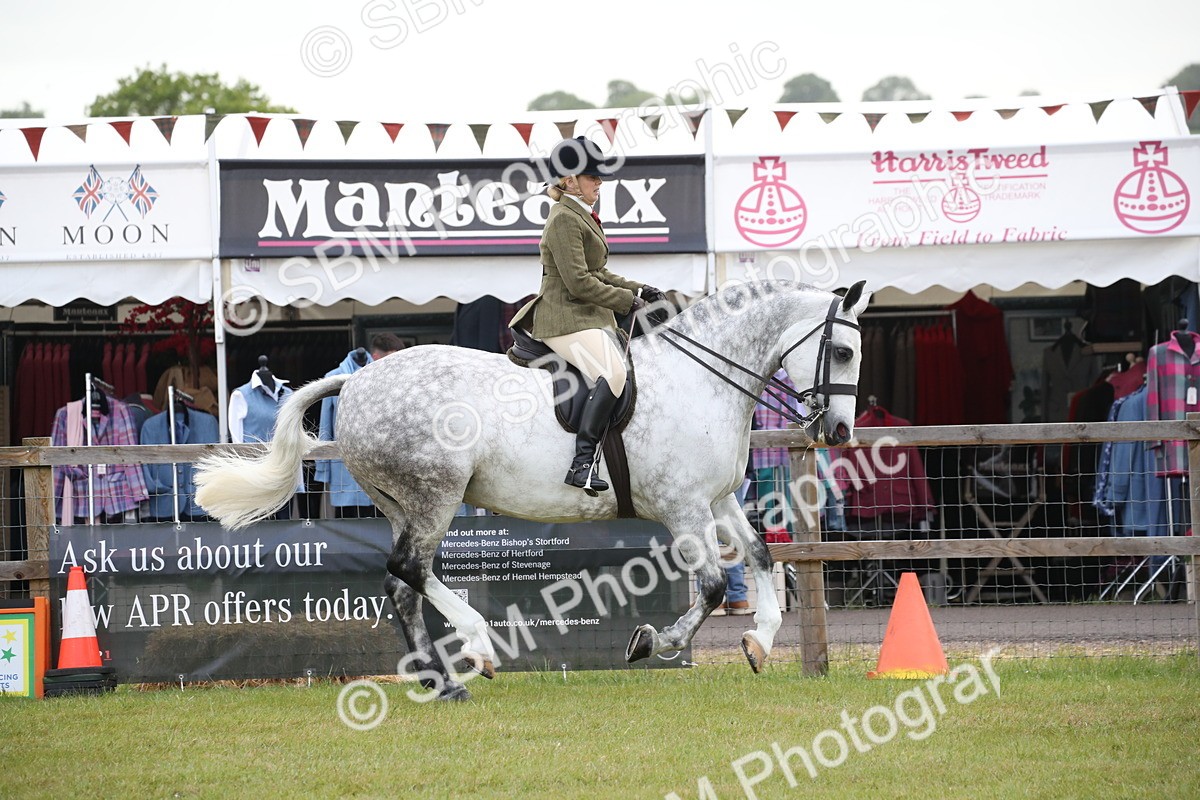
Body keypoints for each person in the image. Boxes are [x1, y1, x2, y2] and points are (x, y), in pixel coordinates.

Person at [509, 136, 666, 492]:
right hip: (563, 318)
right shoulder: (564, 219)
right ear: (570, 181)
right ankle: (581, 464)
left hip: (587, 317)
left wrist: (640, 289)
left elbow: (598, 272)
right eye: (592, 176)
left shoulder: (581, 215)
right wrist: (627, 302)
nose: (599, 182)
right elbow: (579, 283)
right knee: (613, 373)